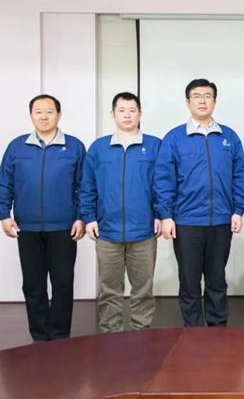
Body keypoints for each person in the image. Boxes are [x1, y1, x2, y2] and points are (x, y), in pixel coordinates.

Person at [154, 79, 244, 327]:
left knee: (217, 280)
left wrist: (238, 210)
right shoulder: (174, 138)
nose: (202, 101)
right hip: (187, 222)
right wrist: (166, 215)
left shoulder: (228, 136)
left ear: (215, 101)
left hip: (221, 220)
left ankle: (218, 328)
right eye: (197, 96)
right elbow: (163, 178)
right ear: (188, 102)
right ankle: (192, 331)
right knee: (189, 281)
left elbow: (240, 174)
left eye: (208, 96)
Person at [0, 94, 86, 341]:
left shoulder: (75, 146)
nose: (44, 116)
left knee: (63, 283)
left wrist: (81, 217)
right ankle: (39, 335)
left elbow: (84, 186)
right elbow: (4, 182)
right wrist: (3, 214)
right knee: (33, 284)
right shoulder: (17, 147)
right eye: (38, 112)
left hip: (64, 227)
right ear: (31, 115)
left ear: (59, 115)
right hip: (27, 227)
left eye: (49, 111)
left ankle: (60, 335)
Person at [80, 92, 162, 332]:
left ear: (140, 114)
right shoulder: (99, 148)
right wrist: (89, 218)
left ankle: (141, 334)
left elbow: (163, 184)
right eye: (122, 110)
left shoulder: (154, 145)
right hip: (107, 231)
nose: (127, 115)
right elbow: (87, 186)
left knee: (143, 290)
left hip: (144, 231)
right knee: (109, 291)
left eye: (132, 110)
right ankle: (110, 336)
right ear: (113, 114)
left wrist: (161, 214)